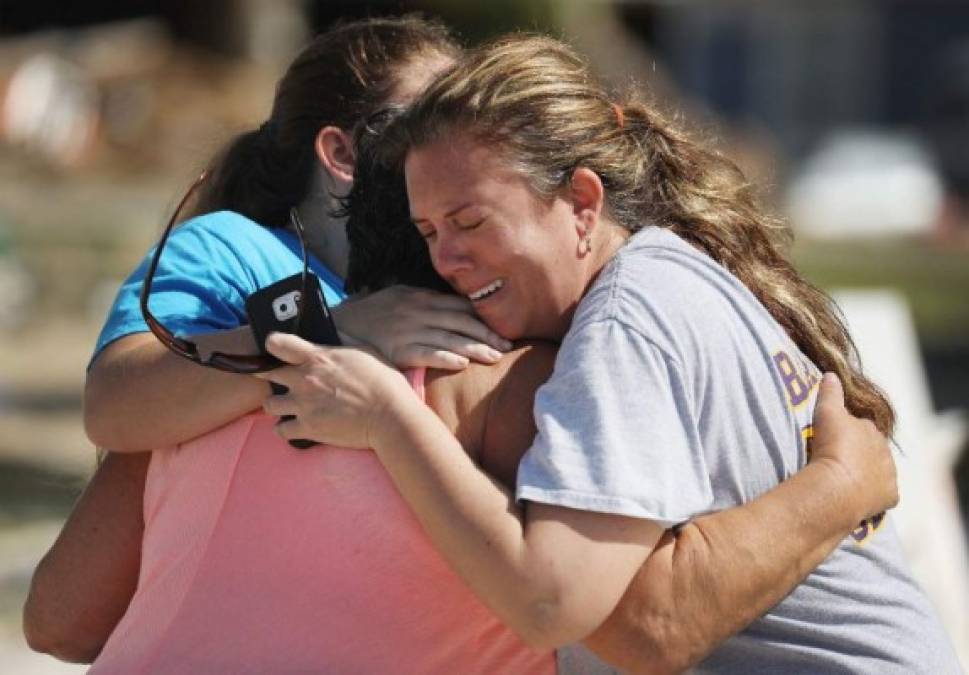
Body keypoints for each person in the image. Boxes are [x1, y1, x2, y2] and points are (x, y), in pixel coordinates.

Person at [25, 109, 898, 672]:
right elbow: (646, 622)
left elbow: (59, 619)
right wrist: (840, 487)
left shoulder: (214, 377)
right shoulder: (517, 384)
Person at [260, 35, 962, 672]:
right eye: (429, 231)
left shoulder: (625, 320)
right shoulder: (669, 276)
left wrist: (387, 416)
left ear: (582, 203)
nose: (446, 258)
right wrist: (839, 485)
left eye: (470, 220)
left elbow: (583, 610)